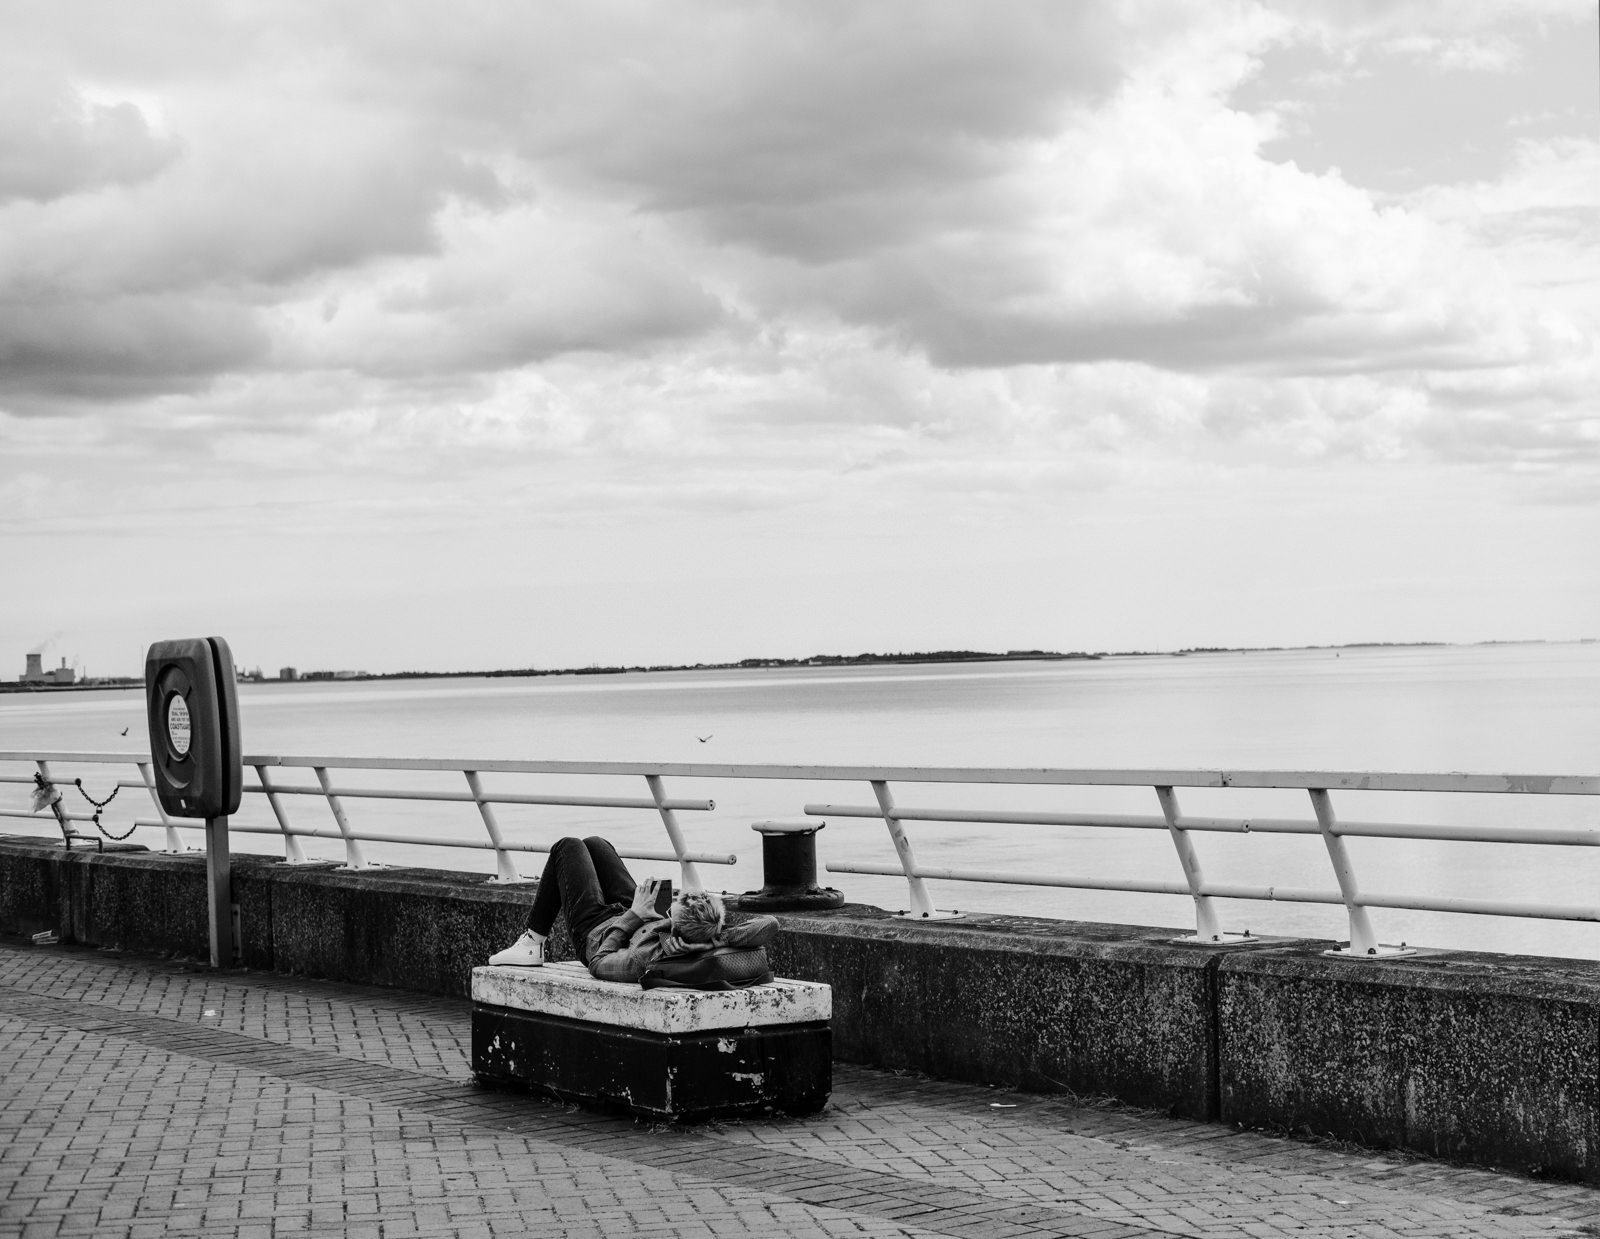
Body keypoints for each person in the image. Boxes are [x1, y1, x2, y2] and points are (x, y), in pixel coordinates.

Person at [488, 835, 773, 983]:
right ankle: (635, 906)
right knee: (596, 844)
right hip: (636, 914)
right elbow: (769, 924)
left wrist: (635, 915)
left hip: (597, 931)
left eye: (676, 905)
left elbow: (599, 963)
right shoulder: (703, 937)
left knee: (568, 846)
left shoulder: (646, 956)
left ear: (676, 920)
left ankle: (531, 943)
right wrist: (716, 936)